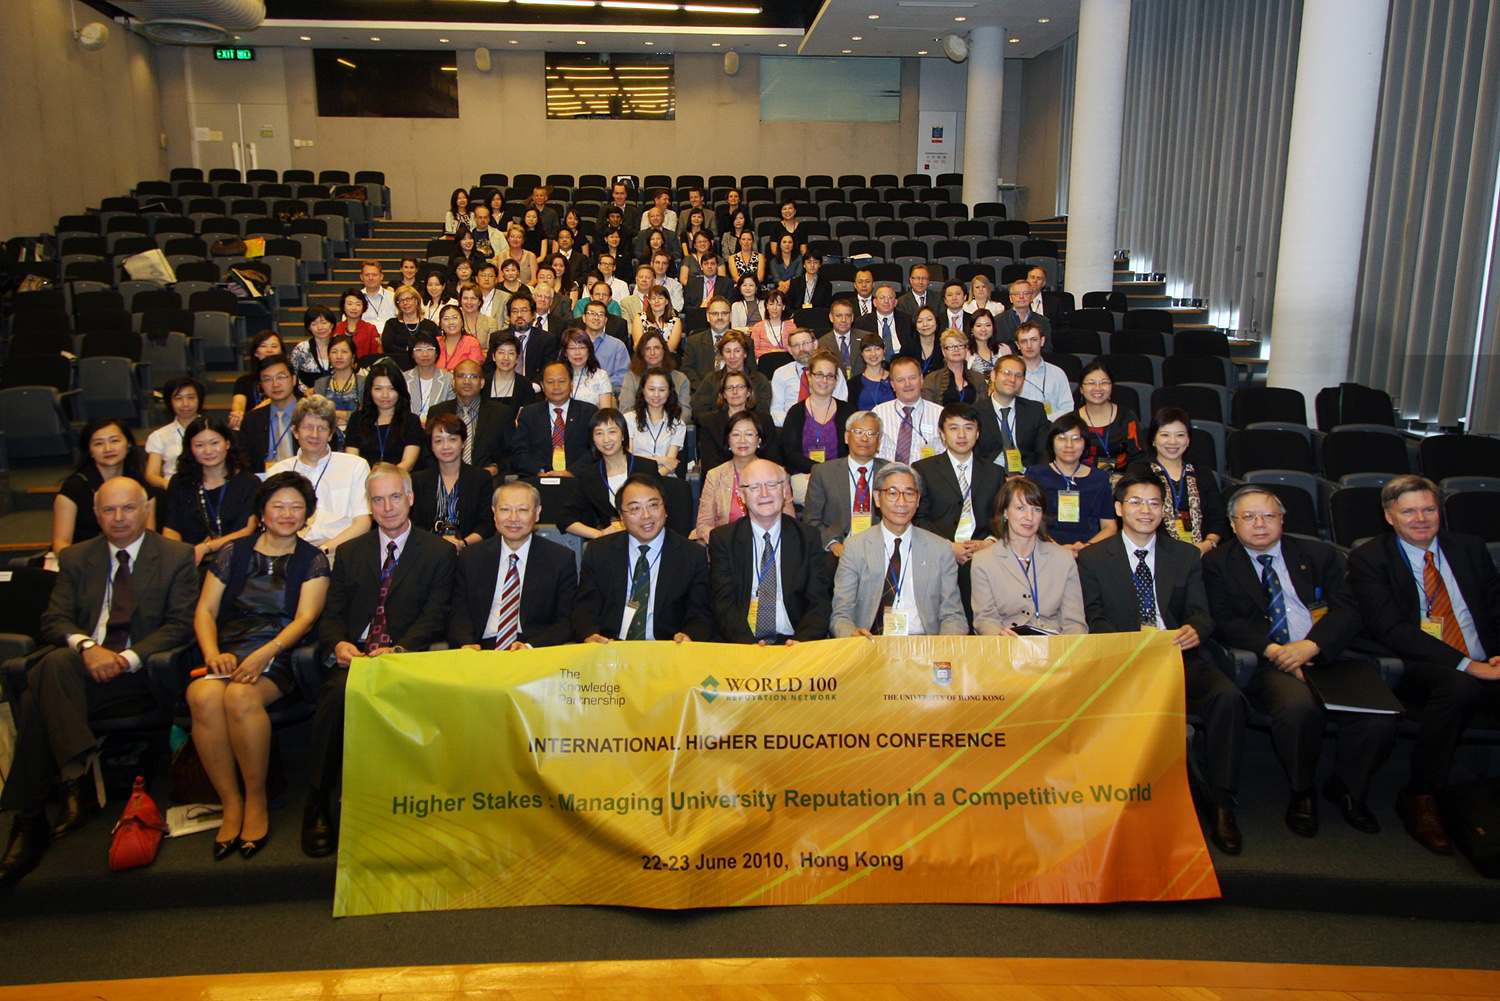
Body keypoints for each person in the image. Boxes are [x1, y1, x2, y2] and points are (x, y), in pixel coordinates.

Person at [0, 478, 198, 888]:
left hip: (140, 673)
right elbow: (54, 620)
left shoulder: (176, 556)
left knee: (39, 687)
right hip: (82, 669)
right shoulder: (76, 557)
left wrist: (124, 658)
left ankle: (36, 815)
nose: (118, 518)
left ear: (146, 510)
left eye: (128, 508)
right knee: (57, 663)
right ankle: (71, 780)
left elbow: (180, 625)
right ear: (95, 514)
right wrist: (89, 647)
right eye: (108, 510)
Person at [1204, 485, 1399, 838]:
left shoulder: (1318, 554)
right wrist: (1274, 651)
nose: (1259, 524)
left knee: (1377, 717)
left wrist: (1312, 646)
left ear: (1282, 520)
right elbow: (1224, 620)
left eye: (1268, 515)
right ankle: (1302, 790)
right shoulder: (1218, 564)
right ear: (1232, 524)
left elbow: (1348, 610)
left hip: (1327, 652)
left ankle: (1347, 788)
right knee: (1297, 711)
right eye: (1248, 517)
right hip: (1269, 660)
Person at [1077, 470, 1248, 855]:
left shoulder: (1185, 555)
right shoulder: (1093, 557)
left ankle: (1222, 802)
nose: (1146, 510)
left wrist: (1194, 630)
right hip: (1123, 660)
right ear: (1119, 508)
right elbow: (1094, 616)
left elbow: (1202, 613)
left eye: (1154, 503)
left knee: (1227, 699)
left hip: (1176, 655)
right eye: (1136, 502)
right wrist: (1133, 645)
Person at [303, 464, 457, 857]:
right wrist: (338, 644)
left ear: (411, 498)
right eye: (377, 499)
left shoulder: (438, 552)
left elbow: (435, 615)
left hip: (406, 656)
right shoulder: (350, 552)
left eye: (394, 497)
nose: (387, 507)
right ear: (368, 505)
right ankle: (318, 801)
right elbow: (332, 612)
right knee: (335, 697)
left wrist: (401, 650)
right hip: (356, 656)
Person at [1347, 475, 1500, 854]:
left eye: (1429, 509)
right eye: (1409, 512)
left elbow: (1496, 605)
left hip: (1485, 658)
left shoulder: (1468, 548)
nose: (1420, 519)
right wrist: (1468, 665)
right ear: (1389, 517)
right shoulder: (1370, 558)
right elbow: (1390, 628)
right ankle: (1420, 795)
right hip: (1416, 664)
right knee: (1459, 687)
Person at [187, 471, 331, 860]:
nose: (287, 514)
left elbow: (305, 620)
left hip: (279, 652)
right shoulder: (233, 552)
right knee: (201, 696)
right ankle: (229, 802)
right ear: (262, 512)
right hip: (228, 648)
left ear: (307, 514)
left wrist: (265, 653)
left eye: (296, 507)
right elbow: (205, 610)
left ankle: (255, 800)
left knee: (240, 697)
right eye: (278, 506)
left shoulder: (312, 560)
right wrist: (211, 653)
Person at [829, 462, 968, 638]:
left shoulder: (940, 549)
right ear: (877, 498)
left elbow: (953, 616)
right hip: (872, 642)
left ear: (918, 500)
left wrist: (943, 646)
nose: (901, 503)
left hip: (924, 644)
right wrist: (852, 636)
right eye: (892, 493)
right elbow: (841, 615)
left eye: (909, 494)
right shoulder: (855, 548)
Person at [571, 474, 714, 643]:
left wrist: (689, 636)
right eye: (635, 509)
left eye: (653, 505)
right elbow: (585, 607)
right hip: (611, 646)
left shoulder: (692, 554)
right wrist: (589, 635)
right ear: (621, 516)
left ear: (665, 509)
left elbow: (700, 612)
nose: (646, 515)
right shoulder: (599, 552)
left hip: (668, 647)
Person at [710, 458, 832, 645]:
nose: (764, 494)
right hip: (743, 640)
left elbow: (819, 601)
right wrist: (748, 646)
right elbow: (723, 604)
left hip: (793, 640)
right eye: (754, 487)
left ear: (784, 490)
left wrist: (801, 643)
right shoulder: (724, 539)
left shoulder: (807, 537)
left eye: (771, 485)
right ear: (741, 496)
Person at [450, 481, 578, 650]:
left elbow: (566, 619)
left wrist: (531, 646)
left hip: (532, 648)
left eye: (522, 510)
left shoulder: (560, 559)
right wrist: (466, 643)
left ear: (537, 513)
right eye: (505, 509)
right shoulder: (471, 557)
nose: (513, 518)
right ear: (494, 512)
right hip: (480, 648)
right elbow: (458, 612)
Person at [914, 405, 1004, 616]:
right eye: (954, 428)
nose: (962, 435)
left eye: (968, 428)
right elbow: (919, 518)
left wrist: (989, 543)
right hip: (937, 553)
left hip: (984, 554)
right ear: (942, 434)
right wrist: (948, 547)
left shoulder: (995, 472)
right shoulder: (923, 469)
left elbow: (1002, 517)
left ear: (978, 433)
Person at [969, 475, 1087, 636]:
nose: (1029, 517)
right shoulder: (984, 561)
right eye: (1020, 508)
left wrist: (1066, 648)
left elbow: (1074, 622)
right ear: (1005, 512)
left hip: (1055, 644)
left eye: (1036, 509)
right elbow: (985, 619)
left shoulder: (1064, 558)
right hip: (1008, 642)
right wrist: (1000, 637)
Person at [266, 395, 371, 555]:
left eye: (321, 428)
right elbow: (269, 524)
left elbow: (363, 523)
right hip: (291, 552)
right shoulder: (278, 472)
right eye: (307, 427)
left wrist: (323, 551)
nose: (314, 435)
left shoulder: (355, 466)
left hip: (339, 551)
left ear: (330, 434)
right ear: (295, 431)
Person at [162, 416, 260, 565]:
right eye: (199, 445)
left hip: (234, 560)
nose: (208, 451)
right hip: (188, 562)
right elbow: (170, 529)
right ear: (190, 448)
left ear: (228, 443)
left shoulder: (249, 483)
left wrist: (205, 548)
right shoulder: (179, 482)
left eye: (214, 443)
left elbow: (246, 531)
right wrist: (180, 556)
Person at [1129, 407, 1227, 555]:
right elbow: (1135, 516)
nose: (1173, 442)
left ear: (1188, 440)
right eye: (1165, 435)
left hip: (1202, 552)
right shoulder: (1139, 471)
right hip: (1156, 552)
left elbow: (1217, 518)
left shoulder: (1203, 474)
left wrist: (1208, 544)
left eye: (1180, 435)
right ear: (1154, 439)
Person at [52, 418, 154, 555]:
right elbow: (61, 541)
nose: (108, 449)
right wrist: (77, 564)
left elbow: (148, 537)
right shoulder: (74, 488)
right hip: (83, 558)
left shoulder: (141, 487)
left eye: (114, 441)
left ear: (128, 444)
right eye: (98, 443)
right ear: (89, 450)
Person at [1025, 413, 1120, 553]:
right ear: (1051, 442)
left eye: (1076, 439)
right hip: (1044, 548)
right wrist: (1058, 549)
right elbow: (1028, 520)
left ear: (1085, 443)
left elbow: (1109, 526)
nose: (1069, 445)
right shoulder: (1035, 475)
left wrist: (1086, 548)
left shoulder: (1100, 478)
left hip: (1091, 551)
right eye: (1062, 438)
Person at [697, 411, 795, 543]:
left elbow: (789, 520)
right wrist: (724, 543)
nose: (742, 440)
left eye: (749, 434)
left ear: (759, 440)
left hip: (769, 545)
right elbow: (704, 524)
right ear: (728, 440)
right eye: (736, 434)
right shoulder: (715, 476)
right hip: (728, 547)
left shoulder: (776, 472)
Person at [803, 411, 885, 559]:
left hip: (880, 549)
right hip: (837, 550)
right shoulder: (823, 472)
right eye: (858, 432)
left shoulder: (890, 473)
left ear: (879, 440)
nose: (864, 438)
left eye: (871, 433)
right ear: (847, 437)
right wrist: (833, 545)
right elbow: (811, 519)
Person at [780, 350, 858, 503]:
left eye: (830, 376)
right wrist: (818, 470)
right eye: (819, 374)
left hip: (839, 475)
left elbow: (852, 450)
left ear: (836, 380)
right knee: (818, 495)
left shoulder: (848, 411)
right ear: (809, 376)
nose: (824, 380)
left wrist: (829, 473)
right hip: (804, 476)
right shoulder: (795, 412)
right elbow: (791, 453)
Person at [410, 413, 497, 551]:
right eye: (438, 441)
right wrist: (437, 544)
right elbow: (415, 524)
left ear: (463, 442)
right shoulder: (418, 480)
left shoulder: (480, 478)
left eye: (452, 439)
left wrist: (463, 543)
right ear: (431, 445)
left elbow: (486, 524)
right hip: (428, 550)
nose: (446, 446)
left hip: (470, 550)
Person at [561, 409, 649, 540]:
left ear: (623, 435)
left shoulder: (646, 467)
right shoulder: (590, 475)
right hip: (613, 543)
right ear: (593, 439)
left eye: (612, 432)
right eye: (599, 433)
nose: (606, 439)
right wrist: (599, 534)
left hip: (646, 537)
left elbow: (663, 510)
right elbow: (565, 518)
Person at [427, 359, 513, 477]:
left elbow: (511, 453)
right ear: (453, 382)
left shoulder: (501, 413)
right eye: (461, 376)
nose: (467, 381)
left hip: (487, 477)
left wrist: (496, 468)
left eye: (473, 376)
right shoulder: (437, 412)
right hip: (445, 476)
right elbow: (428, 453)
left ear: (482, 383)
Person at [511, 361, 599, 477]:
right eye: (550, 382)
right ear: (542, 386)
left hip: (578, 478)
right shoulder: (529, 414)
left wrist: (571, 473)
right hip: (538, 479)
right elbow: (519, 452)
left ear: (571, 384)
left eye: (562, 381)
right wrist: (539, 472)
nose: (556, 387)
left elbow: (595, 449)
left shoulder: (588, 412)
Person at [974, 355, 1052, 472]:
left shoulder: (1035, 410)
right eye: (1007, 373)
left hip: (1027, 477)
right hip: (989, 477)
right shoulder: (975, 412)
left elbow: (1043, 453)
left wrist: (1033, 477)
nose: (1012, 379)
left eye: (1018, 375)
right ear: (993, 376)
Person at [344, 363, 423, 471]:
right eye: (378, 389)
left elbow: (408, 463)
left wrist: (383, 478)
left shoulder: (411, 421)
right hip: (363, 477)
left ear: (400, 391)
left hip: (398, 478)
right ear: (370, 390)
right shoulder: (357, 419)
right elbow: (353, 461)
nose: (385, 395)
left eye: (391, 388)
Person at [691, 329, 772, 425]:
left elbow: (763, 412)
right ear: (722, 354)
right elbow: (699, 411)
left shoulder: (759, 380)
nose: (732, 356)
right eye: (728, 351)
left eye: (737, 351)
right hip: (717, 429)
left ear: (745, 353)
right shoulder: (711, 379)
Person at [873, 356, 944, 465]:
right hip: (888, 473)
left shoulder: (940, 414)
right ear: (893, 385)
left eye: (912, 378)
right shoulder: (879, 413)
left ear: (921, 380)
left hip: (927, 474)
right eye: (900, 380)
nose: (907, 384)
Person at [695, 370, 769, 475]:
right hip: (721, 478)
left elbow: (772, 457)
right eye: (729, 388)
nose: (735, 392)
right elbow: (709, 463)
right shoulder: (709, 422)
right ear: (724, 394)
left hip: (760, 476)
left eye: (740, 387)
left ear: (748, 392)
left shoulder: (764, 420)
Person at [771, 330, 848, 427]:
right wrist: (794, 423)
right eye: (796, 345)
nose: (802, 349)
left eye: (805, 343)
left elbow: (840, 405)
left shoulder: (832, 371)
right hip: (790, 426)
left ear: (815, 344)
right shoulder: (781, 373)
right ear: (790, 350)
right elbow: (776, 411)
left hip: (827, 425)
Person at [1075, 360, 1142, 471]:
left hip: (1123, 477)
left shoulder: (1126, 417)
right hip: (1081, 478)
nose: (1098, 388)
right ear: (1081, 389)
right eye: (1091, 383)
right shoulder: (1072, 421)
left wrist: (1126, 479)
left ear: (1111, 386)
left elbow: (1139, 457)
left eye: (1104, 382)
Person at [239, 354, 301, 475]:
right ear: (261, 385)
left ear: (294, 379)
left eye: (281, 377)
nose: (275, 384)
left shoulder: (311, 414)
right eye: (267, 379)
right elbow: (245, 463)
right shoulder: (251, 420)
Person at [144, 375, 205, 491]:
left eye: (191, 398)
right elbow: (151, 474)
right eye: (178, 398)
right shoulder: (159, 436)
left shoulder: (213, 431)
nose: (185, 404)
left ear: (199, 400)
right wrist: (169, 485)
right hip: (173, 489)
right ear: (170, 402)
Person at [626, 368, 687, 477]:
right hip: (635, 477)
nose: (656, 394)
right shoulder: (629, 419)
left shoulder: (678, 425)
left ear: (669, 392)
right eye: (651, 389)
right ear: (643, 390)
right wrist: (662, 460)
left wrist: (653, 480)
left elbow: (671, 465)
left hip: (664, 478)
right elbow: (629, 460)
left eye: (662, 390)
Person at [229, 331, 292, 431]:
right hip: (252, 426)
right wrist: (238, 414)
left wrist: (248, 417)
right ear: (255, 352)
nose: (269, 350)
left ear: (281, 352)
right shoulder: (243, 381)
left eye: (274, 346)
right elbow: (238, 402)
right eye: (263, 346)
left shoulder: (289, 378)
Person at [619, 329, 691, 412]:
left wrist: (666, 420)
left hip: (672, 420)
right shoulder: (631, 378)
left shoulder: (680, 379)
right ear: (641, 352)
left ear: (664, 350)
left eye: (657, 348)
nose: (652, 353)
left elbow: (685, 412)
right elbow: (626, 409)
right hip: (638, 420)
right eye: (647, 348)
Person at [1013, 320, 1073, 418]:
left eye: (1034, 340)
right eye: (1024, 341)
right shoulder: (1011, 374)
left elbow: (1067, 408)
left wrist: (1045, 422)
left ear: (1042, 341)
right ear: (1018, 345)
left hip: (1051, 425)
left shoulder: (1057, 373)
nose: (1029, 346)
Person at [312, 334, 363, 438]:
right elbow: (317, 415)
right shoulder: (320, 384)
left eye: (344, 352)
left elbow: (366, 415)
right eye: (334, 352)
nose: (339, 356)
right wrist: (350, 415)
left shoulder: (363, 382)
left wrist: (335, 414)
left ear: (353, 357)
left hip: (359, 436)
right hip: (326, 438)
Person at [681, 298, 741, 387]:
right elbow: (687, 369)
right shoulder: (694, 341)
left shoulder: (744, 341)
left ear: (731, 316)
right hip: (703, 391)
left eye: (724, 313)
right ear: (708, 317)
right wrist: (704, 389)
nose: (720, 318)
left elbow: (750, 372)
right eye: (715, 314)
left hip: (736, 391)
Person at [577, 300, 632, 391]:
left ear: (606, 320)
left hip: (607, 391)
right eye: (591, 313)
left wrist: (598, 383)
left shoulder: (617, 345)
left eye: (601, 314)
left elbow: (624, 376)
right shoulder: (574, 344)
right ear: (584, 318)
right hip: (577, 391)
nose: (596, 317)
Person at [560, 325, 617, 410]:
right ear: (565, 352)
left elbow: (604, 413)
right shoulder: (558, 376)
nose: (577, 353)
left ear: (589, 350)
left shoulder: (601, 376)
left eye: (582, 347)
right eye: (572, 348)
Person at [404, 329, 455, 424]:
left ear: (437, 352)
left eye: (430, 349)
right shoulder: (403, 378)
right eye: (419, 350)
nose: (425, 354)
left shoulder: (449, 379)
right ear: (412, 354)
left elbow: (451, 410)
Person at [922, 328, 984, 405]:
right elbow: (929, 408)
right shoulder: (932, 379)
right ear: (943, 352)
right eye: (951, 346)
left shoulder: (978, 378)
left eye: (960, 345)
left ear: (966, 349)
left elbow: (984, 407)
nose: (956, 349)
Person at [482, 332, 540, 413]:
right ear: (493, 357)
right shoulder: (484, 383)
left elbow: (528, 414)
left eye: (511, 353)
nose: (506, 358)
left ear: (517, 358)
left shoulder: (525, 384)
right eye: (501, 352)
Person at [382, 284, 434, 370]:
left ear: (416, 301)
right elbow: (387, 346)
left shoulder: (430, 325)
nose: (405, 303)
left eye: (408, 299)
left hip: (426, 367)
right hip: (398, 367)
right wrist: (412, 351)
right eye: (401, 300)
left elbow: (436, 347)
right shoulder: (391, 324)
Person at [854, 284, 914, 356]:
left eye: (890, 297)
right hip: (874, 359)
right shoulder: (862, 322)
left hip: (901, 359)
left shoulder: (907, 320)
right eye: (882, 297)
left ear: (895, 302)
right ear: (875, 302)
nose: (886, 301)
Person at [290, 304, 339, 387]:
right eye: (314, 324)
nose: (320, 328)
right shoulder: (302, 348)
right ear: (309, 327)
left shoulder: (340, 346)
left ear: (332, 324)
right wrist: (306, 390)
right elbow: (292, 374)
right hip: (308, 393)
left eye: (324, 323)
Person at [995, 279, 1053, 346]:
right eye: (1017, 294)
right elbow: (999, 347)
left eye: (1026, 293)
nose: (1021, 297)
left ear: (1031, 297)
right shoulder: (999, 321)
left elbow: (1047, 348)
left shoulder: (1043, 322)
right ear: (1011, 298)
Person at [631, 283, 684, 353]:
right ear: (649, 301)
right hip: (645, 356)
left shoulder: (676, 321)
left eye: (660, 298)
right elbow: (638, 345)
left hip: (667, 356)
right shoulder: (639, 318)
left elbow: (671, 348)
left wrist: (654, 351)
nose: (656, 301)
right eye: (653, 298)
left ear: (667, 301)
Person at [749, 289, 799, 359]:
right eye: (771, 304)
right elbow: (753, 352)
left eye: (778, 305)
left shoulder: (791, 327)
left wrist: (780, 352)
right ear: (766, 306)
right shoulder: (758, 327)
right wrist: (772, 352)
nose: (774, 308)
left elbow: (795, 349)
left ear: (783, 307)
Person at [850, 333, 894, 411]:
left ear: (884, 350)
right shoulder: (853, 383)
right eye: (868, 350)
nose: (873, 354)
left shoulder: (894, 378)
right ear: (862, 353)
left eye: (877, 349)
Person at [449, 291, 494, 367]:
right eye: (465, 298)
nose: (469, 302)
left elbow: (490, 352)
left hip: (483, 366)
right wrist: (478, 352)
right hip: (455, 364)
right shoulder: (454, 321)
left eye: (473, 298)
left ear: (480, 301)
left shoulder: (490, 322)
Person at [336, 288, 381, 359]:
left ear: (363, 307)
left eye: (358, 304)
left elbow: (376, 355)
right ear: (343, 306)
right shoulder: (336, 328)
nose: (354, 308)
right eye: (349, 304)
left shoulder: (370, 329)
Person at [966, 308, 1009, 378]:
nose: (983, 329)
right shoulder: (965, 352)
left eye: (988, 325)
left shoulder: (1004, 349)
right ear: (971, 329)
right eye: (979, 325)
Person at [358, 260, 396, 328]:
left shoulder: (393, 298)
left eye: (374, 275)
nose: (371, 278)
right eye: (367, 275)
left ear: (381, 276)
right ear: (361, 277)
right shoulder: (355, 298)